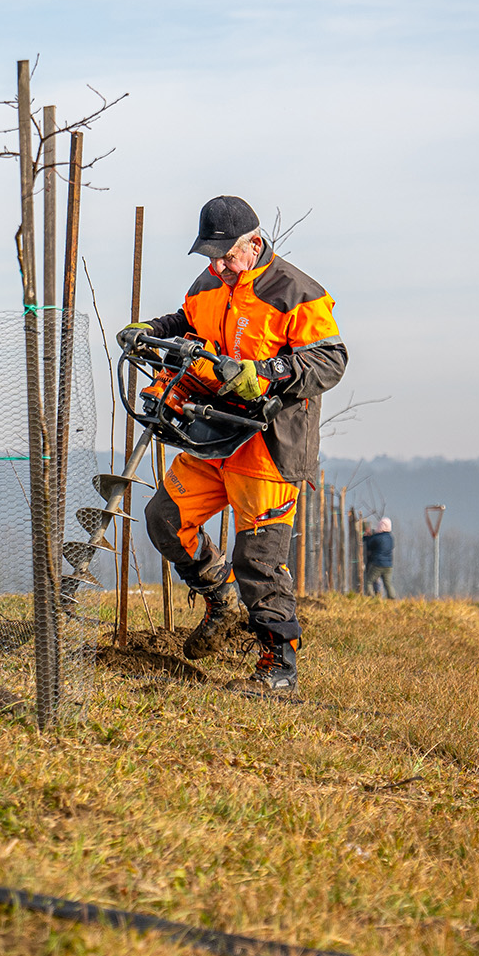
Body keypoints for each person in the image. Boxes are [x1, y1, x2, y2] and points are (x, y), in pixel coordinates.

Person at [120, 195, 347, 698]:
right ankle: (219, 598)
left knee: (259, 561)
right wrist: (151, 330)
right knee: (164, 518)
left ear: (254, 244)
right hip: (212, 433)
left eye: (225, 257)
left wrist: (265, 373)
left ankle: (278, 666)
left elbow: (331, 360)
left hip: (268, 445)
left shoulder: (297, 293)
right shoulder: (208, 285)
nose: (217, 267)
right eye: (210, 257)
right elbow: (187, 321)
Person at [363, 517, 395, 598]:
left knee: (369, 581)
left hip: (378, 564)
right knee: (388, 584)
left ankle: (372, 597)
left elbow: (369, 544)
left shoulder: (377, 537)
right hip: (389, 565)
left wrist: (366, 536)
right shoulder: (391, 538)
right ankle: (392, 598)